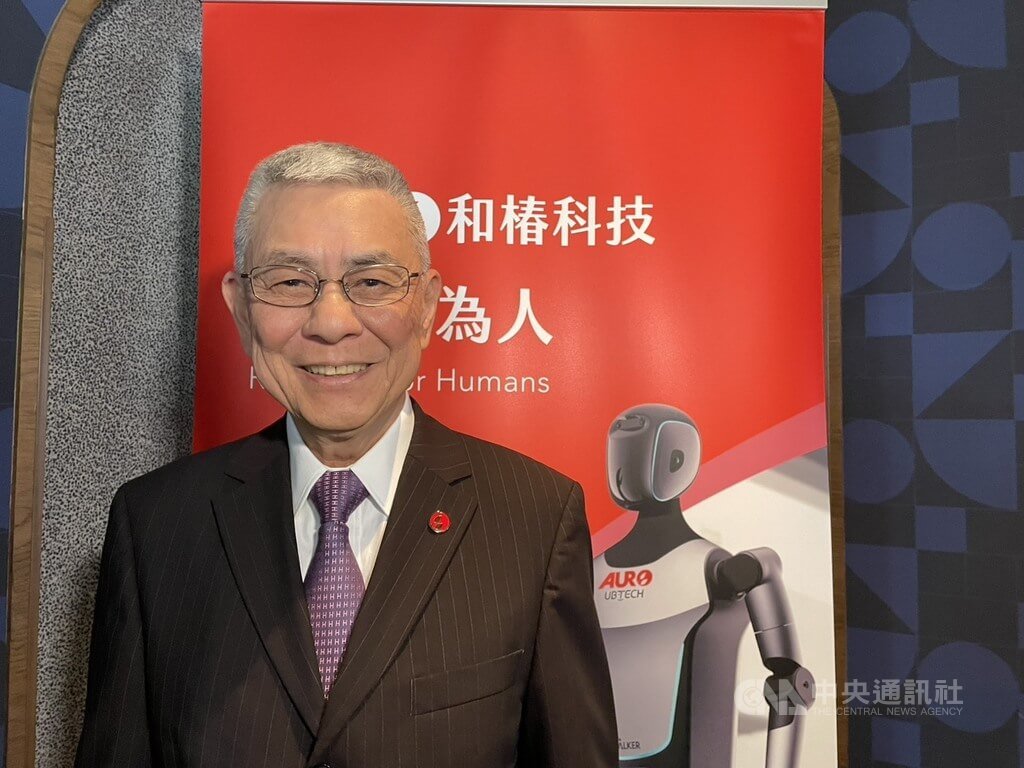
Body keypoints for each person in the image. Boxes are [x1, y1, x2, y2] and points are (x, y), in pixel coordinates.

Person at [75, 142, 617, 768]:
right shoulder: (157, 525)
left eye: (371, 283)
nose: (331, 323)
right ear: (241, 307)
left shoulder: (534, 519)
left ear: (427, 306)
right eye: (289, 282)